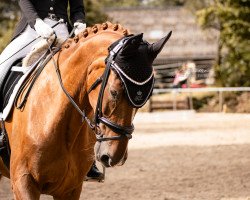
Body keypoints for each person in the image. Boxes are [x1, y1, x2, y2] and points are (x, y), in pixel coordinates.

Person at [0, 0, 103, 182]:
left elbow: (77, 7)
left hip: (64, 31)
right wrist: (37, 22)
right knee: (1, 67)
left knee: (87, 79)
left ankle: (87, 155)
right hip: (32, 31)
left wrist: (79, 23)